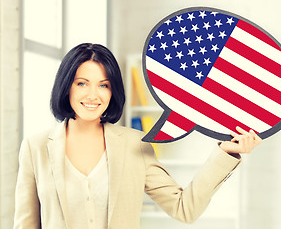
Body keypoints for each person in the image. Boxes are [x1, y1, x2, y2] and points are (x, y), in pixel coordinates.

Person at [13, 43, 262, 229]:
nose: (93, 95)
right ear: (66, 86)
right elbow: (25, 224)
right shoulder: (35, 147)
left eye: (103, 85)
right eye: (81, 83)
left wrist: (226, 152)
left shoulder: (134, 144)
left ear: (113, 91)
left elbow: (184, 208)